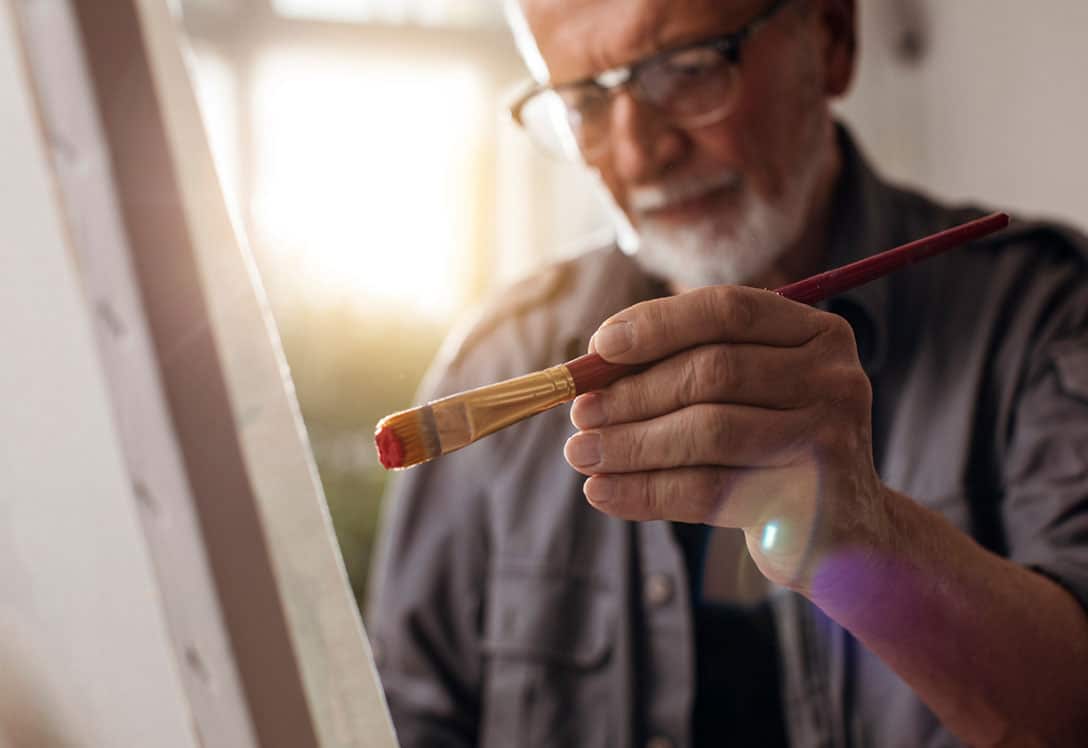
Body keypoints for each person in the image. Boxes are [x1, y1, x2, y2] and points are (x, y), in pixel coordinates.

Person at [369, 0, 1088, 745]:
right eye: (584, 101)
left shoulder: (1043, 318)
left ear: (833, 40)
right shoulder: (498, 356)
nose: (640, 150)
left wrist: (870, 540)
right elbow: (400, 718)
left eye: (685, 70)